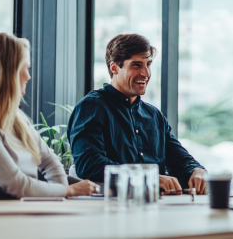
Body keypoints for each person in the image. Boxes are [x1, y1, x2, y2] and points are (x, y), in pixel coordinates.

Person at [68, 34, 207, 195]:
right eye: (136, 65)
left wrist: (197, 170)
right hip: (110, 208)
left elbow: (180, 159)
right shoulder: (92, 107)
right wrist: (148, 178)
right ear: (114, 68)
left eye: (148, 64)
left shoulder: (154, 115)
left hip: (157, 208)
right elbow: (89, 164)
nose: (146, 73)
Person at [0, 33, 100, 198]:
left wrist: (61, 197)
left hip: (27, 208)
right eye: (27, 69)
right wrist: (69, 190)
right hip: (2, 215)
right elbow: (16, 185)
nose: (29, 77)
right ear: (10, 73)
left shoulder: (16, 117)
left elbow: (50, 161)